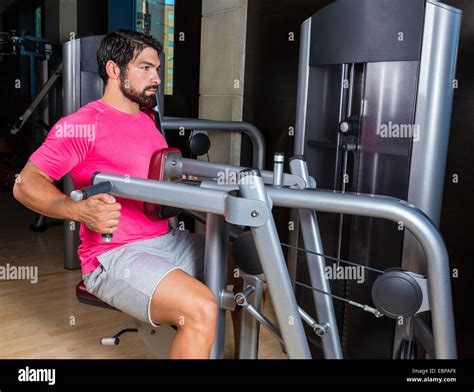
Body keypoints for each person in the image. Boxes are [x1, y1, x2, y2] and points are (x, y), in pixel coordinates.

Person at [13, 29, 241, 359]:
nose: (156, 79)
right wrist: (78, 210)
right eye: (145, 68)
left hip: (167, 240)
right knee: (201, 307)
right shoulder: (82, 125)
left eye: (158, 69)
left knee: (247, 267)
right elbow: (25, 184)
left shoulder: (147, 121)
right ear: (114, 69)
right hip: (115, 255)